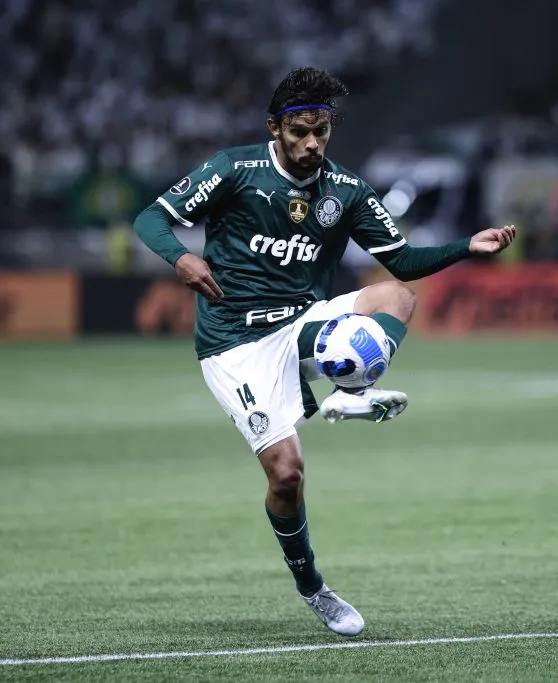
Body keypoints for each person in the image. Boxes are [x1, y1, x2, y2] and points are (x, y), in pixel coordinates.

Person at [133, 67, 516, 635]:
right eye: (301, 132)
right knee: (286, 474)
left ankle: (350, 392)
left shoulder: (347, 190)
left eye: (323, 131)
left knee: (396, 296)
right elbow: (151, 219)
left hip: (303, 322)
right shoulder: (235, 169)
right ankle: (313, 586)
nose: (313, 143)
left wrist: (467, 246)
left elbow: (403, 262)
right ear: (275, 128)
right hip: (234, 343)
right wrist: (182, 258)